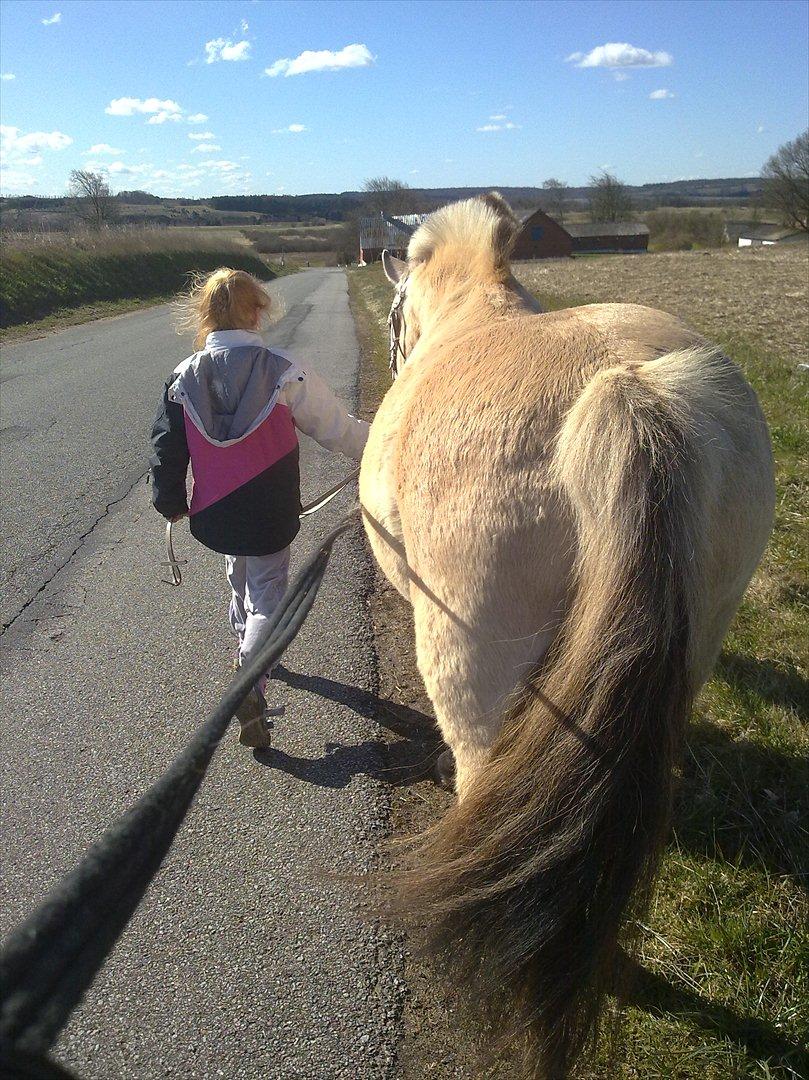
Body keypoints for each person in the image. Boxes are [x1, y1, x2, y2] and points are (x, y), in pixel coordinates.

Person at [149, 268, 368, 749]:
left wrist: (169, 501)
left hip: (215, 513)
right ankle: (252, 666)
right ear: (258, 312)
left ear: (204, 316)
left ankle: (249, 647)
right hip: (270, 511)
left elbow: (168, 448)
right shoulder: (284, 369)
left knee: (238, 570)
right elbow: (335, 429)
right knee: (268, 593)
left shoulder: (183, 377)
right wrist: (378, 446)